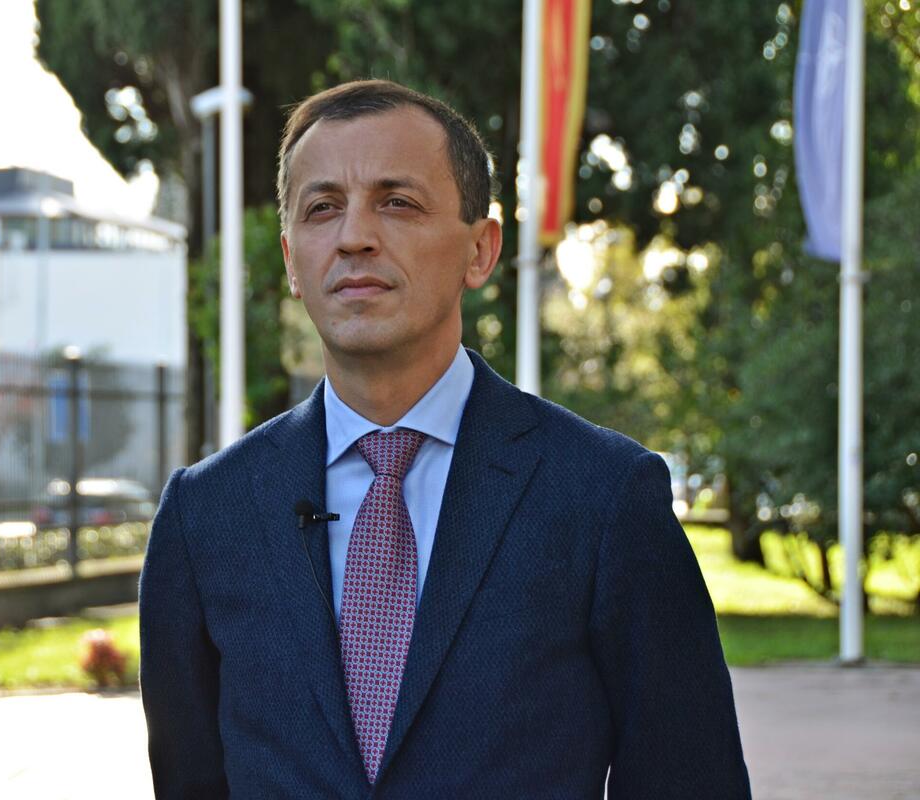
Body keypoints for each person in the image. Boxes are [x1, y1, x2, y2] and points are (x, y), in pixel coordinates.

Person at [139, 79, 751, 799]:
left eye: (397, 202)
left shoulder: (603, 498)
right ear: (291, 260)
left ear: (480, 251)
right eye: (322, 207)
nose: (354, 236)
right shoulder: (205, 516)